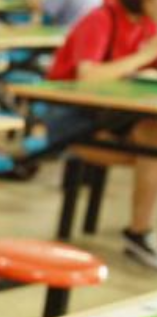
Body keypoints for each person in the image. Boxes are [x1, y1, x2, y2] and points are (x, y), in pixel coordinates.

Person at [45, 0, 157, 268]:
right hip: (70, 117)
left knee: (151, 136)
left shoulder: (146, 24)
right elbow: (88, 77)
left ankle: (139, 232)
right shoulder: (101, 18)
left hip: (113, 115)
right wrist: (145, 56)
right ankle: (138, 233)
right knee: (152, 150)